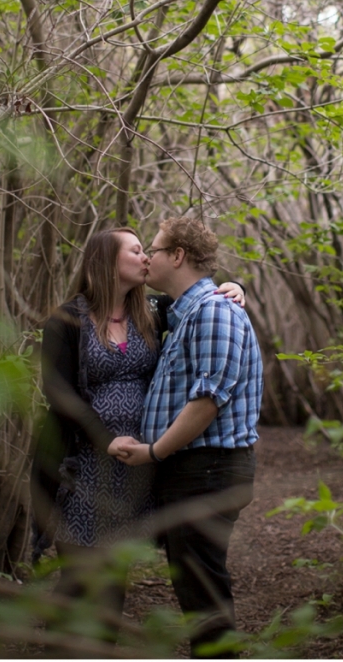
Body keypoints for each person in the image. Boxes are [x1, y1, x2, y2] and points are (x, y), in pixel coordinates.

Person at [29, 226, 245, 628]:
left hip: (136, 469)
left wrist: (234, 286)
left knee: (114, 580)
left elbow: (199, 296)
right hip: (86, 466)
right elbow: (59, 394)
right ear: (106, 261)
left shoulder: (153, 311)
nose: (146, 257)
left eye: (148, 250)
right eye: (136, 250)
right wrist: (106, 439)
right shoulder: (67, 320)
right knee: (80, 576)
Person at [116, 217, 263, 659]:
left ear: (177, 256)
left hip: (207, 468)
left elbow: (207, 401)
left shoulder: (214, 311)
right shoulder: (185, 313)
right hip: (195, 468)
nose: (147, 258)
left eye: (154, 250)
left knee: (202, 593)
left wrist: (153, 452)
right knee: (196, 586)